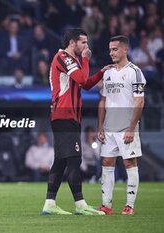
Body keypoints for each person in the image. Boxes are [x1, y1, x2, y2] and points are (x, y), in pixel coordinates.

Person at [42, 28, 112, 215]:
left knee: (60, 161)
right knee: (74, 159)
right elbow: (81, 78)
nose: (86, 46)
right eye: (83, 42)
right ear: (72, 42)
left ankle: (49, 203)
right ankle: (80, 205)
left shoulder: (71, 61)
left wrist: (100, 73)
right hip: (64, 115)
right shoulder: (63, 57)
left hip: (68, 116)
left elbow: (86, 84)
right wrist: (86, 59)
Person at [97, 35, 146, 215]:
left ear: (125, 49)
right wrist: (100, 126)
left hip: (127, 126)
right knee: (107, 162)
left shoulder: (135, 71)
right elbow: (103, 101)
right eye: (110, 49)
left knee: (129, 163)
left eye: (115, 49)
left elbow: (139, 102)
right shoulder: (108, 73)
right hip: (109, 127)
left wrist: (132, 128)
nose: (111, 53)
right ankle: (106, 205)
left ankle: (129, 205)